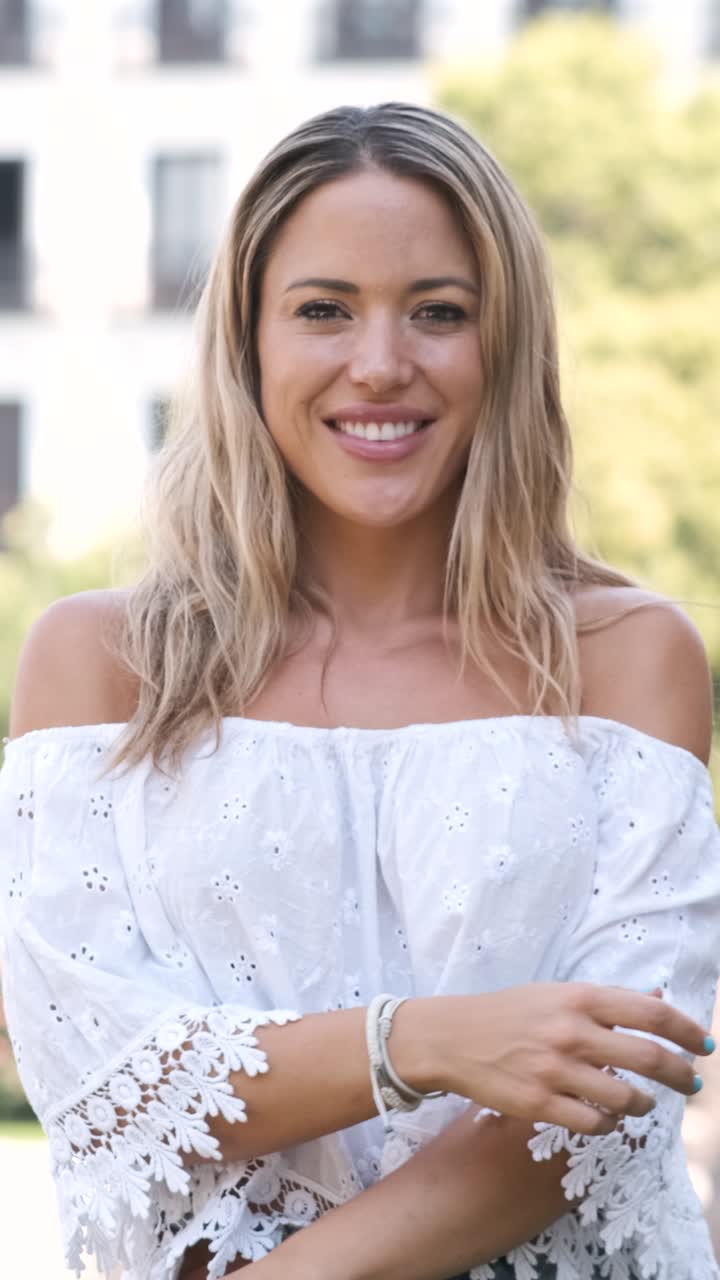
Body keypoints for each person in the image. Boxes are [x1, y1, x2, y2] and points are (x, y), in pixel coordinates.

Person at [0, 101, 718, 1280]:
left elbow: (616, 1084)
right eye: (323, 309)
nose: (380, 362)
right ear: (248, 342)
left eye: (440, 312)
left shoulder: (626, 654)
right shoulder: (101, 661)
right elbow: (96, 1073)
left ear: (508, 346)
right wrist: (421, 1040)